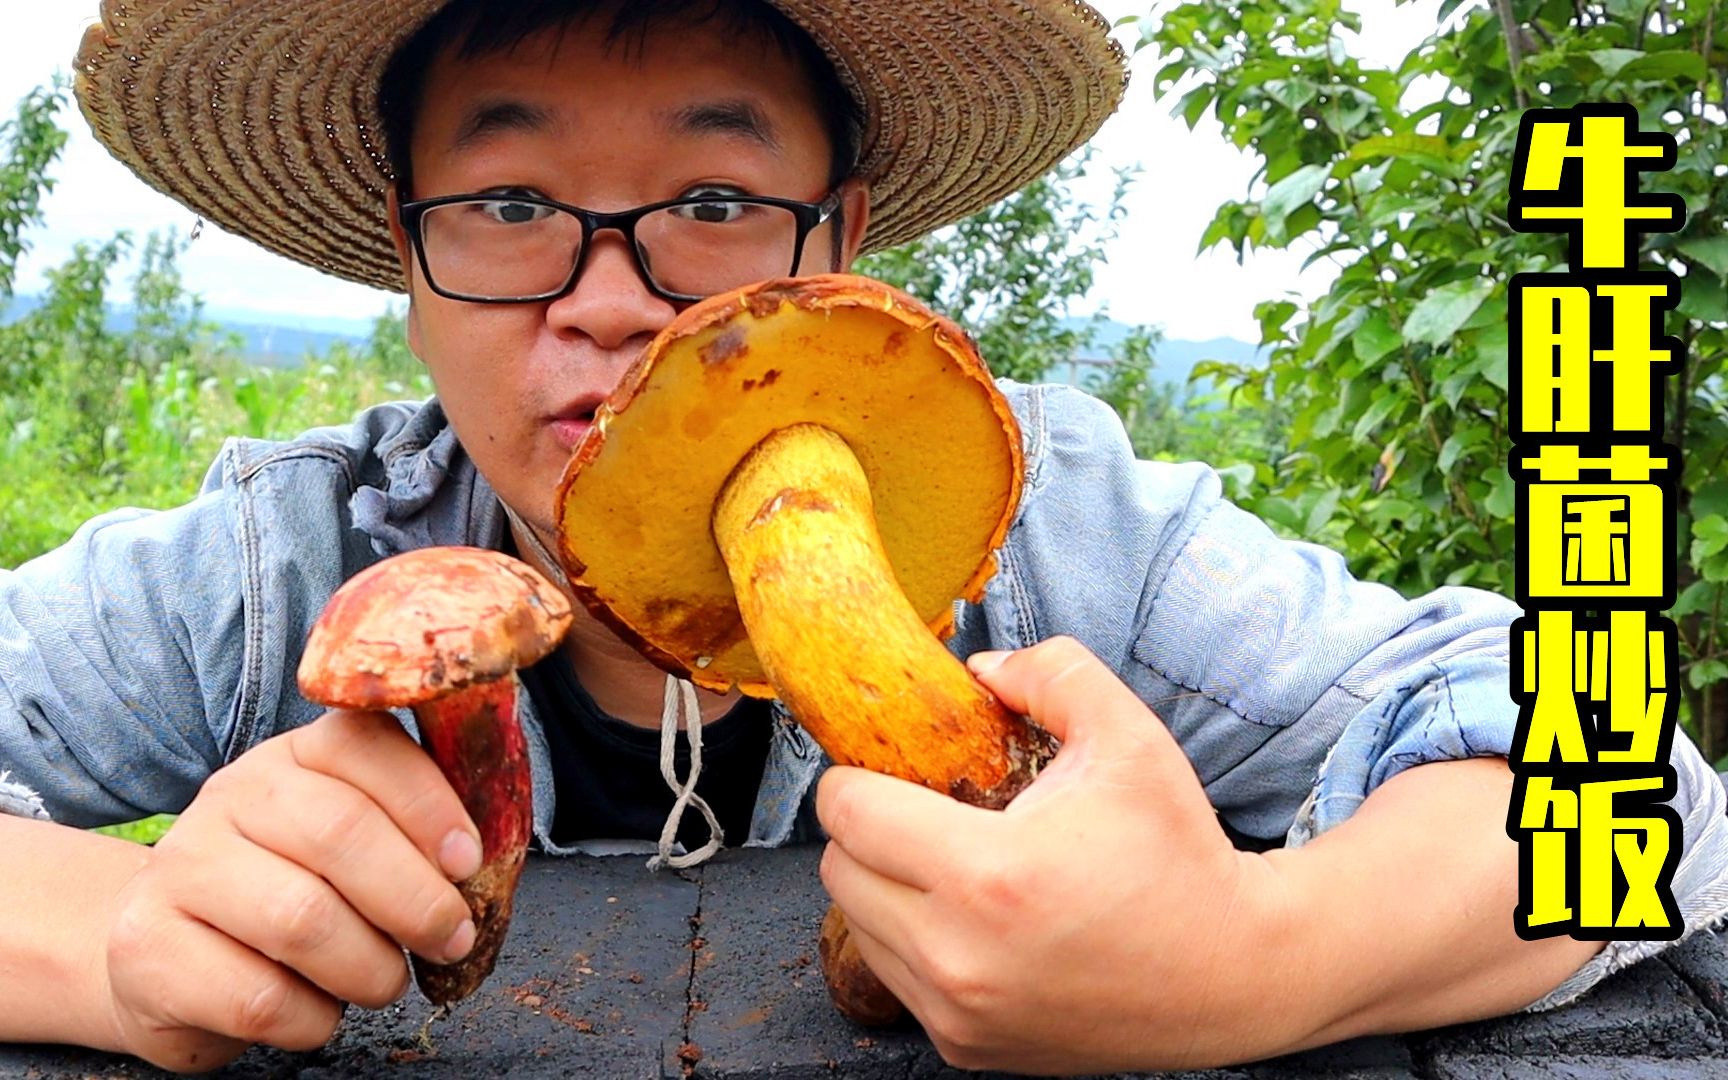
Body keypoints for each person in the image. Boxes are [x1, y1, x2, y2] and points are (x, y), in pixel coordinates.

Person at [1, 0, 1724, 1073]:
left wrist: (1252, 964)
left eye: (713, 202)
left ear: (841, 231)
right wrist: (109, 942)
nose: (610, 302)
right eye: (514, 205)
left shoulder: (1062, 536)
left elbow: (1623, 772)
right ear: (404, 247)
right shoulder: (278, 562)